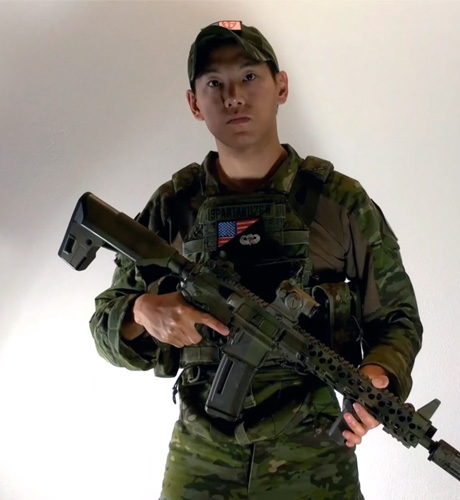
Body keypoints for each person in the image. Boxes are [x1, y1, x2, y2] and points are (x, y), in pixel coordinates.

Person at [89, 20, 422, 500]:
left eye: (249, 77)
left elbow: (397, 318)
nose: (233, 97)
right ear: (194, 103)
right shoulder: (174, 206)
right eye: (214, 83)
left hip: (314, 453)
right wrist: (142, 311)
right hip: (202, 453)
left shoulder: (339, 202)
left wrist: (379, 375)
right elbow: (105, 322)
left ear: (281, 87)